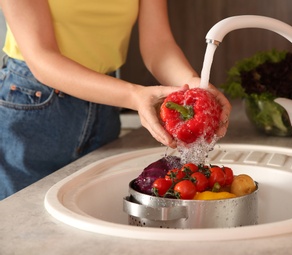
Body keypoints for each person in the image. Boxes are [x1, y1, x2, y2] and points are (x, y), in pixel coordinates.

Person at [0, 0, 231, 200]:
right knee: (24, 224)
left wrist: (194, 85)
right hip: (34, 104)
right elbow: (41, 58)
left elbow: (158, 44)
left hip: (105, 101)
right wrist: (133, 96)